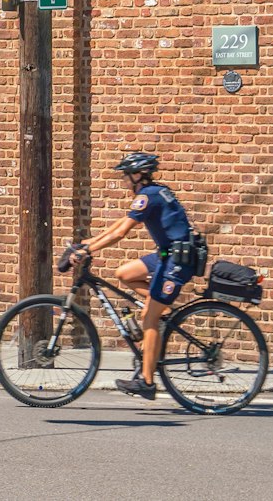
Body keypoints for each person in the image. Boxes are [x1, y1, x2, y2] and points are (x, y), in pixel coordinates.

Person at [76, 151, 200, 400]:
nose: (124, 181)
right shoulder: (152, 192)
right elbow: (122, 223)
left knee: (148, 319)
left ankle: (146, 381)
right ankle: (162, 309)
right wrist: (91, 241)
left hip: (179, 260)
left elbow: (121, 234)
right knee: (124, 273)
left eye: (126, 176)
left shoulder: (149, 196)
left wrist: (90, 249)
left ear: (138, 175)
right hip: (166, 255)